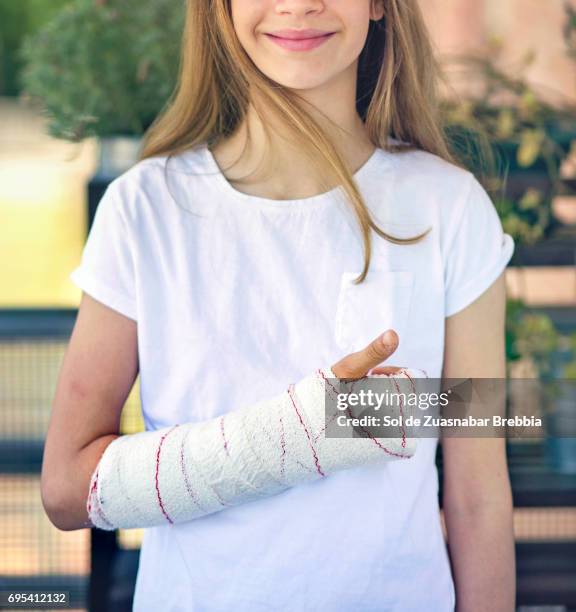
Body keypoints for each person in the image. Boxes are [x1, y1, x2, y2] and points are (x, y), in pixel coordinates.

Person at [41, 1, 517, 610]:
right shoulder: (145, 210)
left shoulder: (449, 208)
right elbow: (63, 490)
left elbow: (478, 493)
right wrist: (301, 433)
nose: (298, 5)